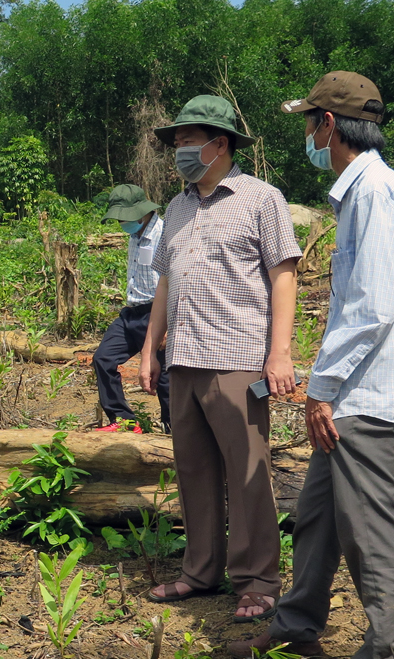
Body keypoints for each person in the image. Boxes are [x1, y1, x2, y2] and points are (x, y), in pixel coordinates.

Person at [228, 73, 394, 659]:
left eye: (309, 122)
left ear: (329, 125)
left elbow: (370, 306)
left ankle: (385, 657)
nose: (307, 135)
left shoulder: (373, 190)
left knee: (367, 522)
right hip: (353, 390)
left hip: (365, 394)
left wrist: (323, 388)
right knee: (317, 513)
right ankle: (297, 624)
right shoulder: (366, 190)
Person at [138, 95, 302, 623]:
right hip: (185, 360)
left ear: (221, 143)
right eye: (179, 141)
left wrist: (280, 354)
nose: (181, 150)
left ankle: (256, 581)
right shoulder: (178, 206)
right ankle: (200, 570)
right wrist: (150, 348)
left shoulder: (261, 199)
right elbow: (165, 280)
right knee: (194, 469)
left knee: (248, 470)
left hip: (238, 359)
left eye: (189, 140)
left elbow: (284, 275)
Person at [92, 184, 170, 433]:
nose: (121, 222)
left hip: (157, 313)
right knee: (103, 359)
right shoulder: (135, 235)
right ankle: (124, 420)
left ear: (140, 211)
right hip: (131, 313)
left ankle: (175, 432)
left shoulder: (164, 234)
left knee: (166, 378)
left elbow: (174, 281)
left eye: (123, 216)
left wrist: (167, 324)